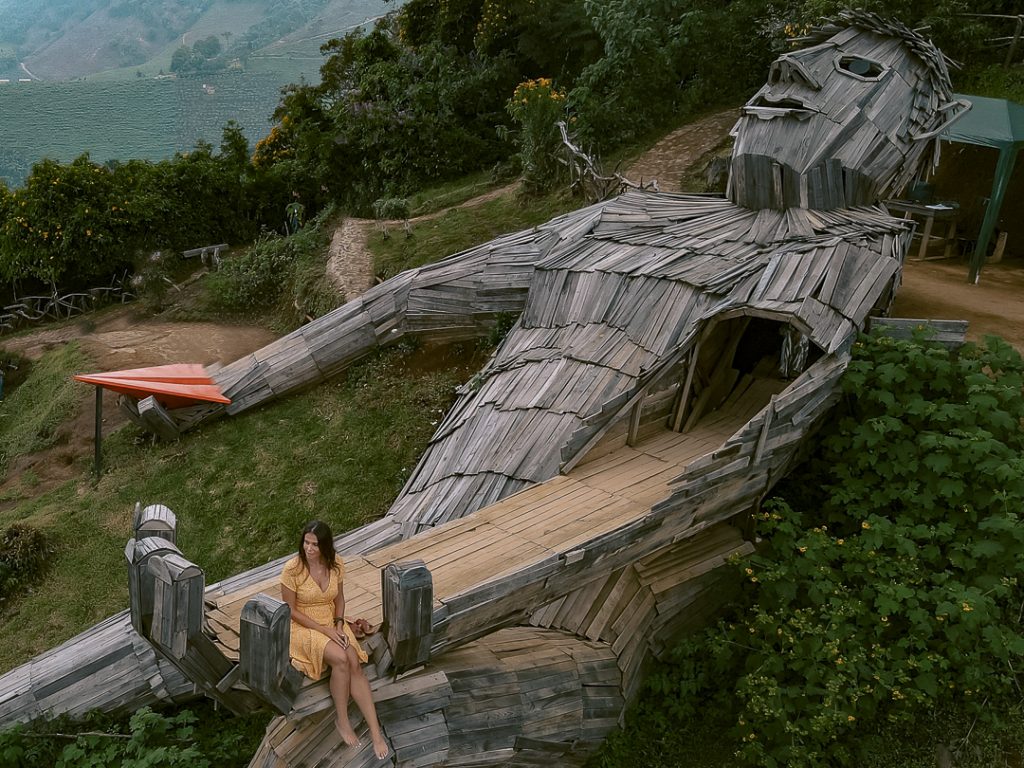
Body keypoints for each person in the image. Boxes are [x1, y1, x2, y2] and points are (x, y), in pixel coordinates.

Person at [280, 520, 390, 759]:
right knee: (340, 658)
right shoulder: (292, 569)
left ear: (325, 546)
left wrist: (339, 624)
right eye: (306, 543)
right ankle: (342, 720)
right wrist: (325, 630)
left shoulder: (336, 563)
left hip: (331, 619)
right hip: (302, 625)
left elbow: (339, 599)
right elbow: (289, 610)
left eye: (315, 545)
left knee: (353, 662)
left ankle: (376, 732)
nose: (309, 549)